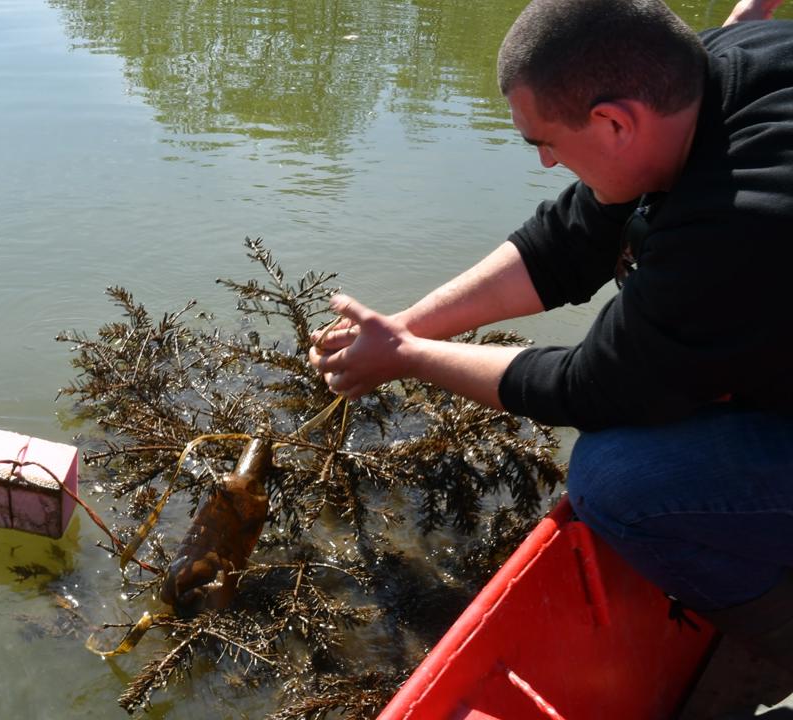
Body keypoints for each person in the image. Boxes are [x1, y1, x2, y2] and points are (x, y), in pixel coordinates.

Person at [309, 0, 793, 665]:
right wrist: (402, 327)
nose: (544, 162)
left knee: (619, 477)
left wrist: (412, 359)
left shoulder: (740, 222)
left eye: (545, 142)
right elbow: (571, 239)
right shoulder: (725, 65)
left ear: (615, 121)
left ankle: (776, 642)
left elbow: (594, 387)